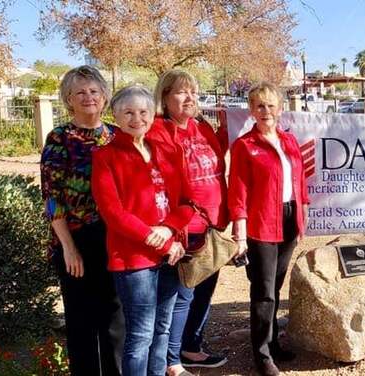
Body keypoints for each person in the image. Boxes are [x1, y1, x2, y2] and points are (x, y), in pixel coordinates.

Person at [92, 85, 195, 375]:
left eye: (143, 112)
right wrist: (161, 241)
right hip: (133, 259)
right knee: (140, 335)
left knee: (162, 329)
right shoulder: (106, 157)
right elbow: (113, 213)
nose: (136, 118)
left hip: (171, 255)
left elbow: (188, 202)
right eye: (128, 112)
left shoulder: (167, 150)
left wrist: (171, 231)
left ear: (152, 115)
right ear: (115, 115)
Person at [40, 65, 123, 376]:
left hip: (114, 237)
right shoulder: (60, 137)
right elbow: (52, 197)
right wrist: (69, 248)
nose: (88, 96)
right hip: (75, 237)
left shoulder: (116, 135)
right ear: (68, 99)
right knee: (82, 321)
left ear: (103, 96)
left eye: (94, 91)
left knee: (115, 318)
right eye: (80, 92)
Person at [150, 70, 229, 375]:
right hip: (184, 227)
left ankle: (192, 347)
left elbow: (219, 158)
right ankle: (171, 361)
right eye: (181, 92)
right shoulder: (159, 131)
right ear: (165, 98)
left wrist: (226, 129)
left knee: (205, 289)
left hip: (213, 223)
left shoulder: (202, 128)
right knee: (182, 295)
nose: (189, 98)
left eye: (193, 93)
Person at [228, 82, 310, 376]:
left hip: (289, 219)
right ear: (251, 110)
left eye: (271, 105)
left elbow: (299, 181)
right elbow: (237, 190)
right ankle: (261, 355)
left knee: (275, 287)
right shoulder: (244, 146)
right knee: (263, 292)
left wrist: (304, 211)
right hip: (261, 223)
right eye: (259, 106)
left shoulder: (289, 141)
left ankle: (273, 343)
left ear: (280, 108)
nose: (266, 111)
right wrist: (240, 232)